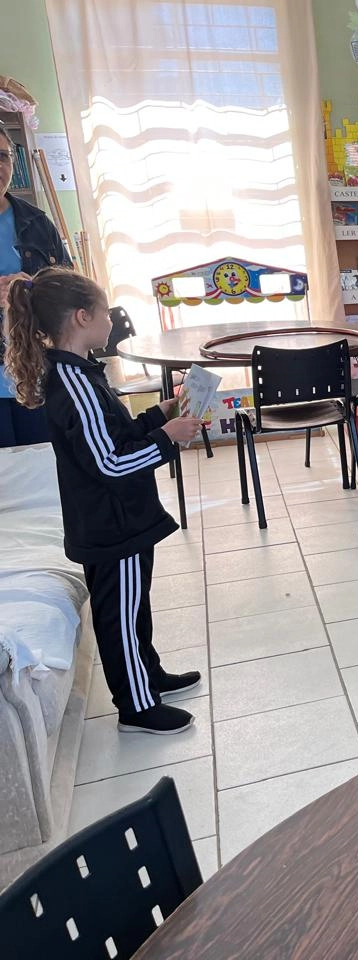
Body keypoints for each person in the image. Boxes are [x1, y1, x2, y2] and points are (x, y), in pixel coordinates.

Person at [4, 269, 203, 733]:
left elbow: (112, 437)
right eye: (105, 311)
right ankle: (136, 706)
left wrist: (160, 414)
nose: (112, 320)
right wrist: (167, 440)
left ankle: (147, 674)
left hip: (120, 520)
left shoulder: (80, 375)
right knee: (119, 615)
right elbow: (110, 463)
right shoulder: (74, 386)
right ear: (81, 317)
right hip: (114, 526)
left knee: (135, 605)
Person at [1, 128, 72, 446]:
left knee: (44, 477)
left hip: (36, 376)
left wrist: (33, 287)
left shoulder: (37, 222)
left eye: (2, 157)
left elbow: (70, 287)